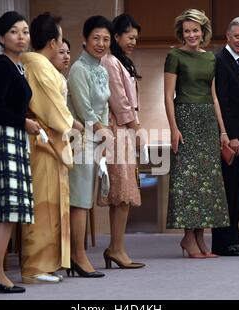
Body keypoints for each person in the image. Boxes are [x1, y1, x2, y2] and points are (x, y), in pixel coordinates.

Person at [0, 11, 40, 293]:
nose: (21, 37)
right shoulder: (2, 66)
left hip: (13, 138)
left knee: (3, 210)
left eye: (25, 31)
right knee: (4, 211)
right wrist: (24, 122)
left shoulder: (18, 66)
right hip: (4, 138)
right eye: (14, 32)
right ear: (2, 37)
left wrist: (25, 121)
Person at [20, 13, 83, 284]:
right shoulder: (38, 65)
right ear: (52, 41)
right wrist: (71, 123)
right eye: (59, 38)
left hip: (48, 139)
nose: (61, 45)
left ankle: (47, 262)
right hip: (42, 141)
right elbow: (53, 109)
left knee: (51, 203)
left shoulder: (38, 64)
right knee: (43, 204)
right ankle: (35, 266)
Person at [164, 8, 230, 258]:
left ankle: (201, 239)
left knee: (208, 184)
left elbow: (214, 97)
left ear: (203, 32)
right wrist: (173, 128)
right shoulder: (174, 55)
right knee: (188, 182)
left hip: (207, 122)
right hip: (185, 120)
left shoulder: (211, 58)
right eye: (187, 31)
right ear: (181, 33)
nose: (191, 35)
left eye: (195, 30)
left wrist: (222, 131)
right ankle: (187, 238)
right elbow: (168, 96)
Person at [67, 15, 113, 277]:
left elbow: (104, 106)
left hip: (95, 139)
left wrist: (105, 137)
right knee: (80, 200)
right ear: (84, 40)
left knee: (86, 199)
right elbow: (84, 110)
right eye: (96, 38)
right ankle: (77, 255)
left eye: (106, 39)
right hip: (79, 139)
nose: (101, 43)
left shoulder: (102, 69)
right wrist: (102, 130)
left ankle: (78, 254)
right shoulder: (79, 69)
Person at [98, 13, 145, 269]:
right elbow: (119, 100)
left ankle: (117, 247)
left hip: (124, 131)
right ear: (116, 36)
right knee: (121, 193)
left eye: (136, 38)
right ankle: (115, 248)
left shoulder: (122, 61)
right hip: (117, 131)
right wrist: (137, 128)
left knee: (124, 194)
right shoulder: (109, 61)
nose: (133, 41)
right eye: (130, 36)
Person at [212, 17, 239, 256]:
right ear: (228, 36)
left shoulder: (238, 62)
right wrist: (230, 135)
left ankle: (233, 240)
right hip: (231, 140)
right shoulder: (220, 60)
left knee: (236, 192)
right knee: (227, 191)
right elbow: (223, 101)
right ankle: (223, 243)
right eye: (237, 36)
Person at [51, 38, 71, 103]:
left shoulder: (61, 77)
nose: (66, 56)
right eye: (61, 52)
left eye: (68, 53)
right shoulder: (50, 76)